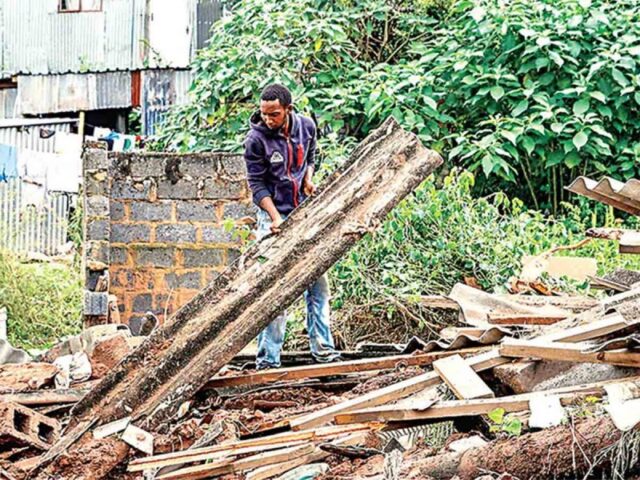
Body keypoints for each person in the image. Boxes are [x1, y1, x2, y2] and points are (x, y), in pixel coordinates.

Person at [244, 83, 340, 369]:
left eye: (274, 114)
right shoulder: (255, 140)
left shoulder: (307, 127)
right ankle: (268, 360)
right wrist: (275, 217)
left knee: (318, 286)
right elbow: (257, 185)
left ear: (288, 109)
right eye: (264, 114)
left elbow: (311, 157)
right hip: (273, 216)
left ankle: (324, 352)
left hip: (304, 213)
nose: (268, 119)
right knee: (274, 289)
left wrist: (308, 179)